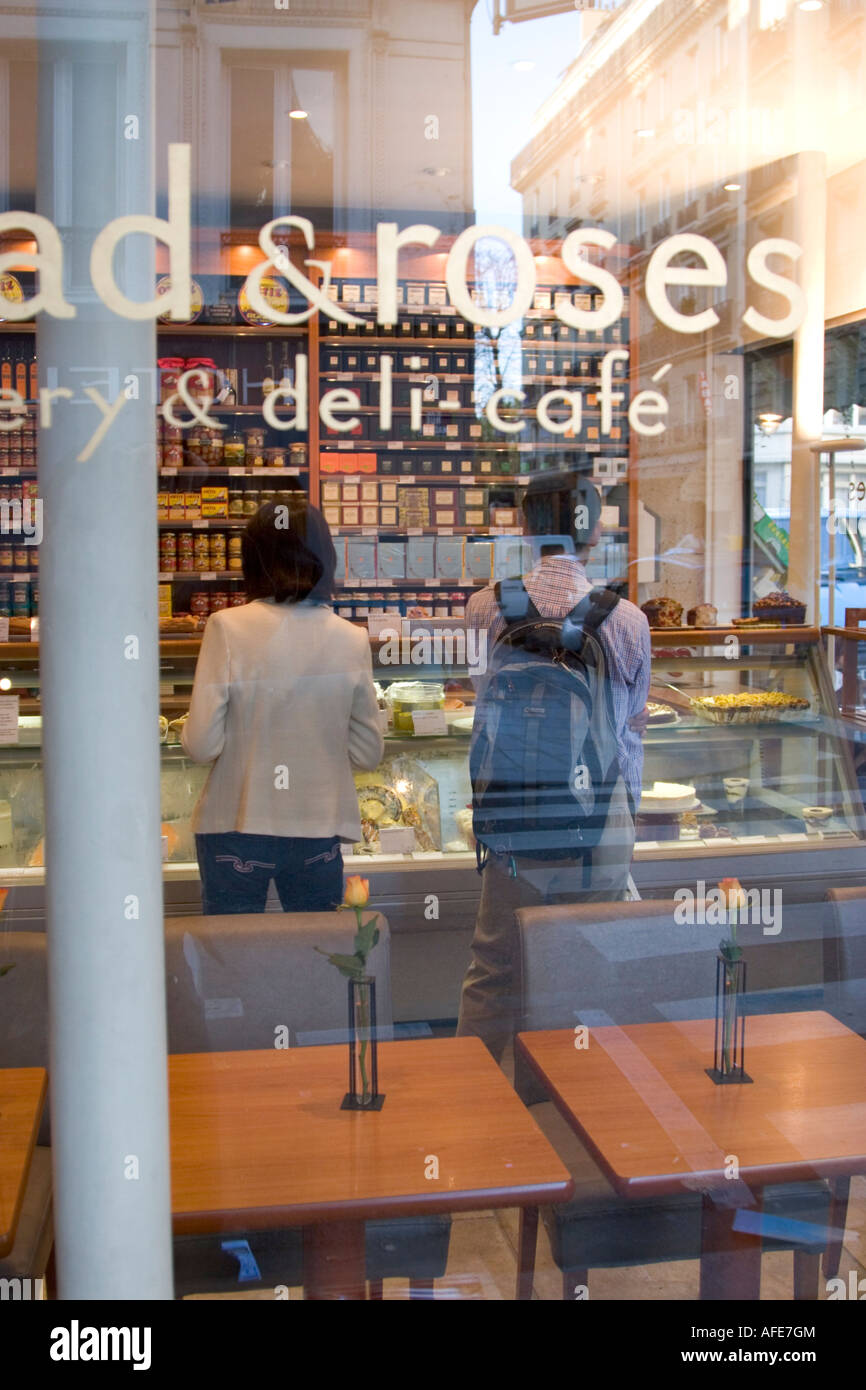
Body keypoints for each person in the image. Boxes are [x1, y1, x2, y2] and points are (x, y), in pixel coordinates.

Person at [456, 473, 652, 1061]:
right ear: (593, 534)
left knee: (495, 964)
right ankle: (580, 1092)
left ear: (524, 527)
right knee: (594, 960)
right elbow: (631, 731)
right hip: (597, 822)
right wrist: (625, 814)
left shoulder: (484, 606)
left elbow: (480, 693)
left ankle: (476, 1093)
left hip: (513, 813)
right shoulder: (627, 621)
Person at [182, 497, 384, 914]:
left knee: (231, 958)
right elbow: (368, 754)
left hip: (236, 825)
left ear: (253, 558)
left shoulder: (227, 627)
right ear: (324, 557)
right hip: (317, 827)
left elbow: (200, 745)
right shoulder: (351, 638)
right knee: (315, 959)